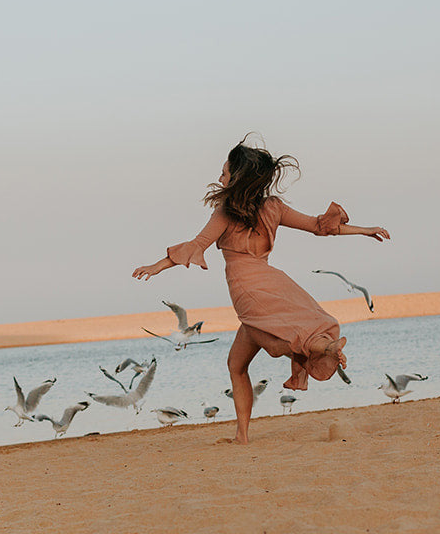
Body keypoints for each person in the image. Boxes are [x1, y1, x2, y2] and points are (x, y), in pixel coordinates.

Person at [132, 139, 390, 444]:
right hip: (271, 281)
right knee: (237, 364)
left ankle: (322, 349)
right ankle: (243, 434)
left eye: (225, 173)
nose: (220, 179)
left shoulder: (226, 213)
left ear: (238, 177)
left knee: (280, 338)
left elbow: (196, 245)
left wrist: (157, 266)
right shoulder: (274, 208)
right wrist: (363, 229)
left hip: (247, 288)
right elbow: (320, 226)